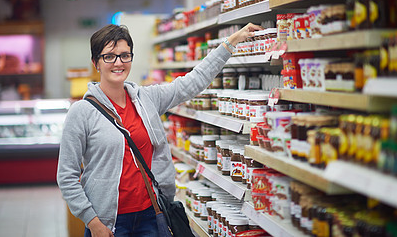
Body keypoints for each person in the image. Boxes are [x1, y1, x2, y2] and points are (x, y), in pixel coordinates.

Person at [57, 22, 262, 237]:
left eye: (125, 55)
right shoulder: (81, 112)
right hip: (108, 222)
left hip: (152, 215)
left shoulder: (147, 99)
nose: (118, 63)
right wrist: (93, 222)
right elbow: (67, 176)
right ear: (96, 63)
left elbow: (193, 81)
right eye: (109, 56)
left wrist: (230, 43)